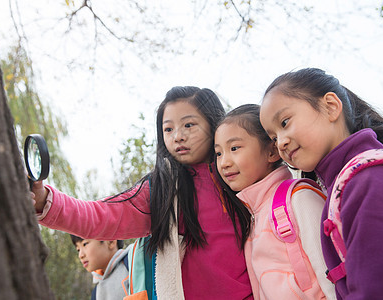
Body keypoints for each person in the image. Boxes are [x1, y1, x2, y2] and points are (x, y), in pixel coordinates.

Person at [32, 86, 253, 299]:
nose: (178, 136)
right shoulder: (162, 191)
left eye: (189, 125)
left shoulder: (244, 175)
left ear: (214, 123)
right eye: (168, 129)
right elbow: (101, 216)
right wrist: (45, 202)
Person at [259, 67, 383, 299]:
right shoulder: (345, 183)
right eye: (273, 138)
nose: (281, 142)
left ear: (331, 106)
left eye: (285, 122)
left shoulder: (369, 181)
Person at [214, 104, 335, 300]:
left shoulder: (299, 197)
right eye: (219, 153)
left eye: (234, 148)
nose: (224, 162)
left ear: (272, 151)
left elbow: (331, 276)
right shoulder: (254, 215)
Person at [71, 236, 132, 300]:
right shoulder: (96, 292)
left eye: (85, 244)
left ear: (110, 241)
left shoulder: (132, 265)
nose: (80, 255)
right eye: (78, 250)